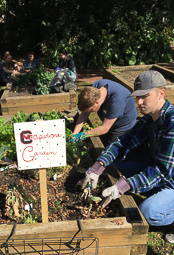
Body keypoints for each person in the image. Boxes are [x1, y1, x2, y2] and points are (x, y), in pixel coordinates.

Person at [81, 70, 174, 243]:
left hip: (170, 180)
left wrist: (124, 186)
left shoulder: (172, 124)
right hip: (158, 173)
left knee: (147, 211)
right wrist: (98, 166)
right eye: (137, 97)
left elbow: (163, 171)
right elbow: (122, 143)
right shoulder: (149, 119)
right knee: (114, 169)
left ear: (161, 93)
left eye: (144, 96)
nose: (139, 102)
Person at [70, 79, 137, 146]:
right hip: (109, 120)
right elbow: (84, 113)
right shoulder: (95, 89)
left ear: (96, 102)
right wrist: (75, 133)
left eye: (90, 110)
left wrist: (82, 135)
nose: (89, 112)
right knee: (103, 141)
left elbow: (105, 128)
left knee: (112, 149)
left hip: (123, 126)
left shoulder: (117, 101)